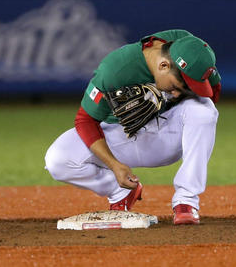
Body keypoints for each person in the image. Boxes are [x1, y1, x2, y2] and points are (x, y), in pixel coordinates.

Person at [44, 29, 221, 225]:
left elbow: (212, 91)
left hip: (168, 135)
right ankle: (121, 192)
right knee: (58, 159)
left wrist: (168, 99)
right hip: (122, 137)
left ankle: (186, 202)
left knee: (205, 110)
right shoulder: (115, 70)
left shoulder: (193, 51)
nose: (178, 94)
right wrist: (114, 165)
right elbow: (85, 120)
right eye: (176, 87)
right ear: (163, 65)